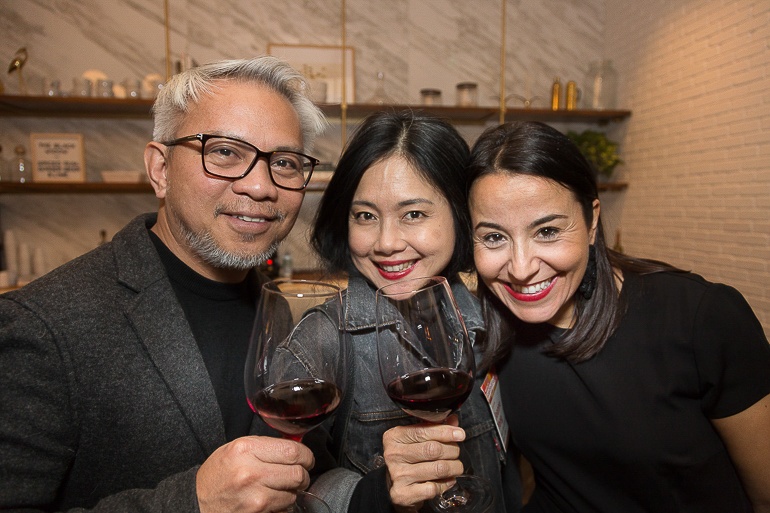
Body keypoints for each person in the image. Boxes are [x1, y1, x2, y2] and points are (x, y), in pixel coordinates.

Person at [0, 56, 330, 512]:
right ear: (160, 169)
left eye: (286, 162)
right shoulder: (42, 325)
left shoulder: (277, 308)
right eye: (225, 152)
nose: (260, 186)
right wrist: (193, 502)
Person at [467, 120, 770, 512]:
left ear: (592, 220)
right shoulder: (486, 326)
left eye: (547, 231)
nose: (521, 268)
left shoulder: (700, 318)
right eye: (494, 237)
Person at [308, 110, 522, 513]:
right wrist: (377, 493)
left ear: (460, 214)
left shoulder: (489, 318)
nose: (386, 243)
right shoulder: (323, 337)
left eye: (414, 214)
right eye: (365, 216)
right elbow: (290, 486)